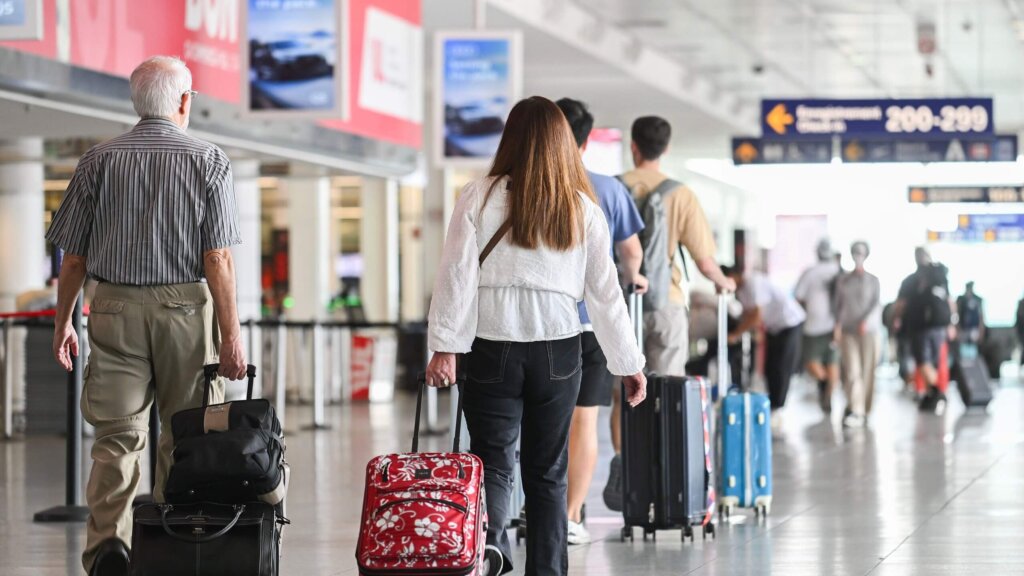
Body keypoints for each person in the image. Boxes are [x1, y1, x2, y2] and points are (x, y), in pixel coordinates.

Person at [424, 96, 646, 576]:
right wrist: (628, 363)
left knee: (493, 462)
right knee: (548, 472)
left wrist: (445, 346)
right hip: (559, 348)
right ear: (563, 143)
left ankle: (491, 553)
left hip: (490, 343)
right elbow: (605, 293)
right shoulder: (579, 205)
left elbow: (455, 276)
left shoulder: (479, 195)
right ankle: (547, 570)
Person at [46, 56, 246, 576]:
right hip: (185, 310)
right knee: (187, 433)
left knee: (116, 435)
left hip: (112, 307)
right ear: (184, 102)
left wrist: (63, 320)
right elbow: (218, 258)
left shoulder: (98, 160)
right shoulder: (209, 160)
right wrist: (231, 334)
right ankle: (176, 545)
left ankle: (109, 547)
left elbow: (74, 257)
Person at [604, 115, 735, 512]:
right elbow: (705, 261)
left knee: (620, 395)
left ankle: (629, 475)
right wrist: (723, 283)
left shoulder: (612, 188)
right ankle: (664, 477)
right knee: (669, 391)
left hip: (618, 306)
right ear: (667, 147)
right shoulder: (680, 194)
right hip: (667, 305)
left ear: (634, 146)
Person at [554, 98, 646, 545]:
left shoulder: (525, 184)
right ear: (586, 140)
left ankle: (536, 507)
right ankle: (570, 517)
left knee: (536, 422)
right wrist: (635, 278)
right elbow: (630, 254)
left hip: (538, 326)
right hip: (590, 325)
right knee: (583, 422)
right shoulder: (607, 189)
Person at [725, 266, 806, 430]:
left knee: (781, 367)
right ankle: (771, 405)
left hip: (789, 323)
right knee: (769, 367)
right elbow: (749, 315)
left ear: (735, 275)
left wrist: (735, 334)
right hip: (773, 327)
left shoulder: (754, 282)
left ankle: (778, 409)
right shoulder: (740, 292)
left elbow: (756, 315)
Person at [894, 247, 955, 414]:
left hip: (920, 328)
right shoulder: (940, 277)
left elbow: (901, 304)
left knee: (922, 362)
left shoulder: (911, 280)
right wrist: (951, 324)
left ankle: (937, 391)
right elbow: (950, 301)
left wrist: (896, 320)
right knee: (936, 361)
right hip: (940, 327)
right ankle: (933, 392)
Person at [833, 241, 881, 428]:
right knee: (852, 371)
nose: (857, 255)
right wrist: (837, 326)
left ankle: (865, 409)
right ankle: (855, 409)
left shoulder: (873, 280)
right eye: (855, 252)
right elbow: (837, 306)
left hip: (868, 332)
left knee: (867, 370)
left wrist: (865, 321)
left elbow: (875, 304)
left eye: (861, 252)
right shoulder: (843, 280)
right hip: (848, 331)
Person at [794, 239, 842, 414]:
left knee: (830, 362)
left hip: (828, 326)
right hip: (817, 327)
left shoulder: (837, 273)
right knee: (819, 362)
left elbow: (798, 297)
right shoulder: (819, 272)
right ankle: (825, 386)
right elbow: (798, 297)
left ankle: (827, 391)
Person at [956, 281, 985, 346]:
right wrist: (957, 329)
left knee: (973, 350)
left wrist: (981, 331)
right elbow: (957, 314)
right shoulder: (961, 299)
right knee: (963, 349)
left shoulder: (977, 299)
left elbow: (981, 316)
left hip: (974, 329)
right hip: (963, 329)